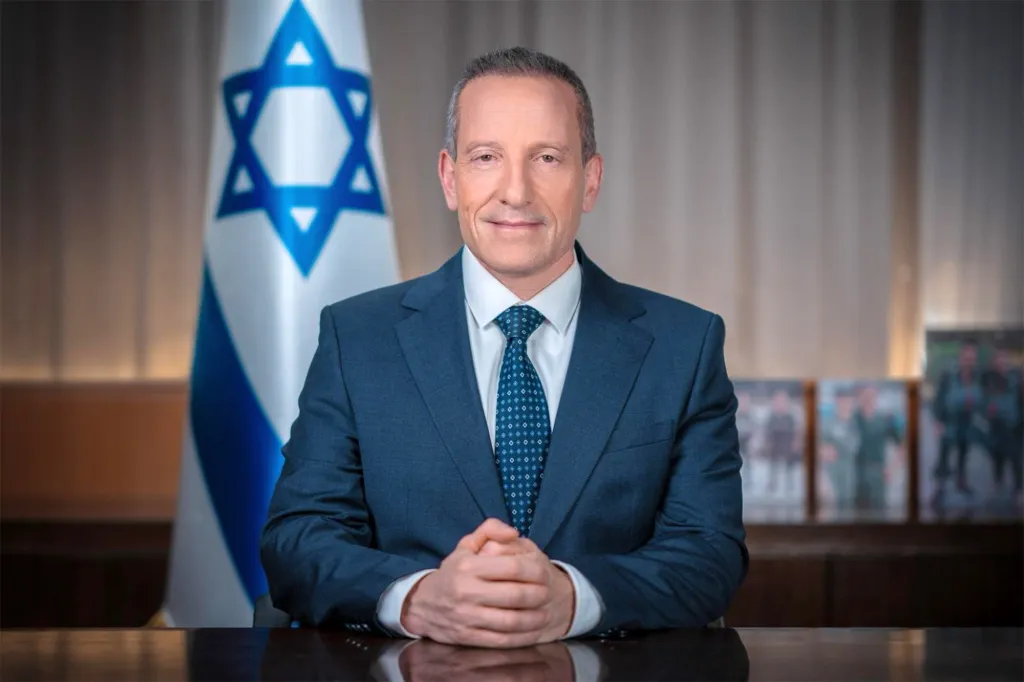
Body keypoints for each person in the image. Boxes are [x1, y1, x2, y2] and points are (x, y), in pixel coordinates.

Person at [260, 47, 747, 648]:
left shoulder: (685, 344)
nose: (515, 191)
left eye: (546, 158)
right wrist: (418, 598)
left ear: (590, 180)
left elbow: (709, 553)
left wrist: (571, 598)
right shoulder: (356, 338)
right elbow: (297, 540)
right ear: (450, 177)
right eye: (486, 157)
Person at [930, 342, 986, 509]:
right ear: (961, 358)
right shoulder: (948, 376)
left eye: (972, 358)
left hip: (967, 422)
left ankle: (961, 483)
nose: (969, 361)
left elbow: (982, 399)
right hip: (949, 421)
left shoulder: (977, 377)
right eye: (966, 357)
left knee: (963, 454)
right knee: (944, 456)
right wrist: (938, 421)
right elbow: (938, 400)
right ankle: (940, 489)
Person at [851, 384, 902, 514]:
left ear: (876, 398)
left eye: (871, 396)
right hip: (857, 472)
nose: (868, 400)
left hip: (878, 471)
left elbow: (902, 446)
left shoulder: (885, 420)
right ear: (859, 398)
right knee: (857, 513)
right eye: (864, 396)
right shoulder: (854, 419)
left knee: (879, 513)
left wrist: (892, 469)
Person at [983, 349, 1023, 510]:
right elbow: (985, 401)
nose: (1001, 364)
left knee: (1016, 460)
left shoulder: (1016, 378)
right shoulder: (990, 380)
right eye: (998, 361)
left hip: (1015, 427)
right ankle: (998, 487)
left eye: (1004, 361)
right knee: (998, 459)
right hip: (997, 428)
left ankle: (1018, 491)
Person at [819, 387, 859, 514]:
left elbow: (854, 447)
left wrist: (835, 448)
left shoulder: (853, 424)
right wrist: (824, 451)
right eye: (842, 401)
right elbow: (820, 447)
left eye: (848, 402)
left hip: (848, 472)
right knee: (830, 508)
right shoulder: (827, 423)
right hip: (830, 472)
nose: (845, 405)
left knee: (847, 507)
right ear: (836, 402)